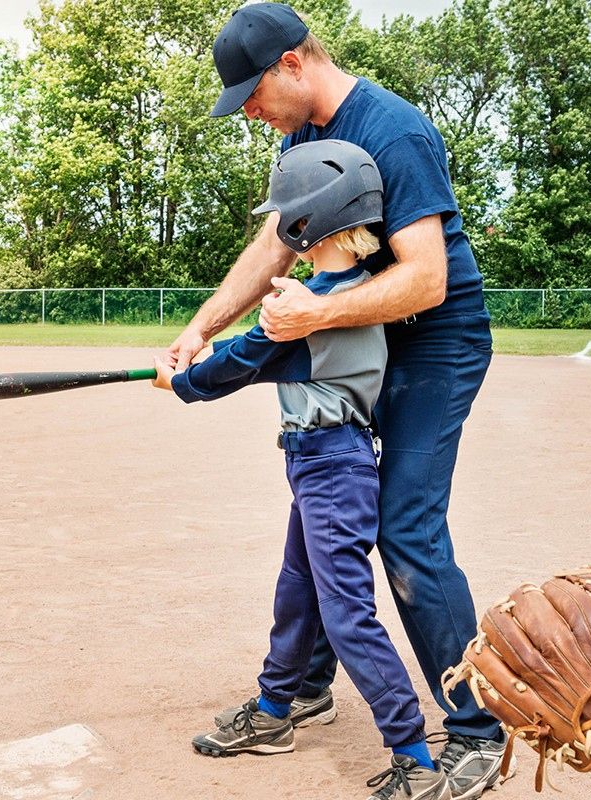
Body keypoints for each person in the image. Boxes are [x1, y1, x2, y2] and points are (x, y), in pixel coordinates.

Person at [164, 5, 507, 795]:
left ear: (291, 62)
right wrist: (201, 329)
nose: (248, 110)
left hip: (434, 342)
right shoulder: (300, 138)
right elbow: (277, 242)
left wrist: (315, 313)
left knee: (405, 526)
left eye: (252, 92)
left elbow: (428, 278)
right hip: (363, 333)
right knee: (325, 514)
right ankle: (299, 693)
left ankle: (477, 731)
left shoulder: (395, 130)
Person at [153, 139, 448, 799]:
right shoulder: (351, 291)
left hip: (332, 468)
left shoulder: (307, 310)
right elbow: (267, 347)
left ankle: (415, 755)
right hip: (322, 465)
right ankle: (274, 710)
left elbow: (237, 364)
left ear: (309, 223)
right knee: (298, 592)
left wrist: (181, 381)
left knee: (346, 615)